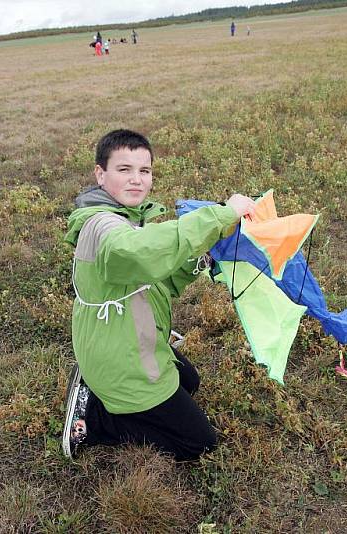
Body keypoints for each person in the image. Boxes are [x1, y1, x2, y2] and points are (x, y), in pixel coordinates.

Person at [62, 129, 256, 461]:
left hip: (125, 339)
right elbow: (138, 253)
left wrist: (204, 255)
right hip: (118, 357)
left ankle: (102, 392)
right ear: (100, 174)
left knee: (189, 382)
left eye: (145, 171)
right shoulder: (103, 228)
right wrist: (221, 213)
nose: (136, 179)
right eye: (124, 170)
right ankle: (94, 421)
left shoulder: (126, 219)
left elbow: (159, 281)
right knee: (199, 443)